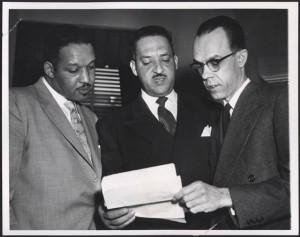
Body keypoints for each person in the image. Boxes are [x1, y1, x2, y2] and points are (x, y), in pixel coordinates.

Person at [96, 25, 221, 230]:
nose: (159, 69)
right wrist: (105, 212)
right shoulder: (111, 126)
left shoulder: (212, 113)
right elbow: (110, 192)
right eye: (147, 62)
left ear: (176, 62)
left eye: (165, 59)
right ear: (134, 67)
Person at [173, 15, 290, 230]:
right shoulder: (219, 114)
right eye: (200, 66)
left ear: (241, 58)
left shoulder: (280, 100)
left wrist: (224, 196)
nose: (205, 75)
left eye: (215, 62)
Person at [9, 25, 102, 229]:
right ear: (50, 70)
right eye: (74, 70)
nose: (87, 79)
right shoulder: (14, 103)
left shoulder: (91, 117)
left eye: (92, 67)